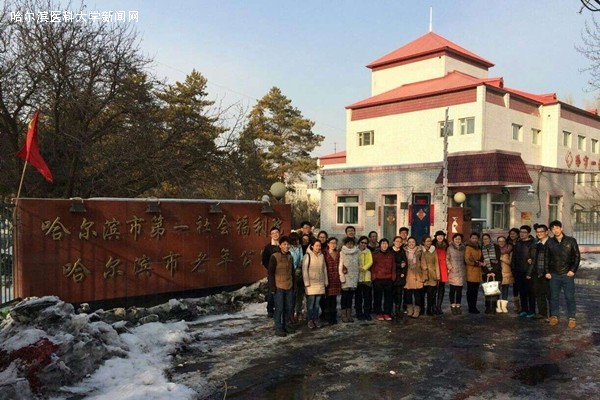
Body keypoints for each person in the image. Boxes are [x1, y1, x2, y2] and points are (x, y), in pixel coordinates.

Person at [546, 220, 580, 329]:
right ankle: (554, 316)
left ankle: (572, 318)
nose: (555, 230)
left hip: (567, 274)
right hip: (554, 274)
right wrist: (547, 272)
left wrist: (573, 270)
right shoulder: (549, 242)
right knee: (554, 297)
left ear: (561, 228)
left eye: (557, 228)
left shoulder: (571, 241)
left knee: (569, 297)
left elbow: (577, 256)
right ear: (551, 231)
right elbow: (546, 258)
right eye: (553, 229)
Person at [268, 236, 295, 337]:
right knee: (279, 308)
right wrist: (272, 287)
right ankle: (278, 328)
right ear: (280, 245)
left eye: (288, 244)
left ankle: (286, 325)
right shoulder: (274, 257)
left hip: (289, 285)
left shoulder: (290, 256)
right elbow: (270, 273)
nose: (287, 246)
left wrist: (294, 285)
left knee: (289, 307)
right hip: (278, 286)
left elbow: (292, 272)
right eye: (284, 244)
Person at [302, 239, 328, 329]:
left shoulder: (321, 256)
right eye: (316, 245)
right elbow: (304, 270)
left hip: (320, 283)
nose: (318, 247)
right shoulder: (307, 255)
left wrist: (326, 281)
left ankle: (316, 319)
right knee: (310, 304)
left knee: (317, 304)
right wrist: (306, 283)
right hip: (311, 284)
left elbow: (324, 269)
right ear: (312, 246)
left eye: (319, 246)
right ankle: (310, 319)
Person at [512, 225, 535, 318]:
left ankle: (532, 310)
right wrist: (514, 270)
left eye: (524, 232)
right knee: (522, 292)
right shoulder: (518, 243)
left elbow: (533, 259)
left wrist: (529, 272)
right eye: (521, 232)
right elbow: (514, 258)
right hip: (518, 271)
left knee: (530, 292)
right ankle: (524, 309)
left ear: (528, 233)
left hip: (528, 272)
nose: (522, 234)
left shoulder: (532, 244)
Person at [529, 224, 550, 320]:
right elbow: (533, 257)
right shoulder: (536, 243)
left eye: (541, 232)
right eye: (537, 232)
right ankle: (542, 313)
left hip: (548, 273)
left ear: (546, 232)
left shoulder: (551, 243)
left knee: (549, 294)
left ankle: (552, 315)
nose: (539, 233)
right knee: (539, 293)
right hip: (537, 272)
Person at [372, 238, 396, 321]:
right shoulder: (375, 254)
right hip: (378, 279)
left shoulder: (391, 255)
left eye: (386, 244)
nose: (384, 245)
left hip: (389, 279)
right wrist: (374, 277)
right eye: (383, 244)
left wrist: (393, 277)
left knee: (388, 297)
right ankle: (378, 312)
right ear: (380, 245)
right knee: (378, 297)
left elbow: (393, 266)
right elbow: (373, 266)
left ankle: (387, 312)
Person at [339, 237, 361, 322]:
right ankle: (343, 315)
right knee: (344, 296)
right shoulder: (342, 252)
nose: (350, 245)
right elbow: (340, 266)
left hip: (354, 277)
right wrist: (341, 276)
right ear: (345, 244)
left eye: (351, 243)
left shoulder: (357, 252)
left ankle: (349, 314)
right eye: (348, 243)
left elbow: (359, 264)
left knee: (350, 297)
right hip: (345, 276)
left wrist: (357, 277)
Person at [404, 236, 425, 318]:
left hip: (417, 274)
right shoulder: (404, 251)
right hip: (408, 274)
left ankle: (417, 310)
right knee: (408, 294)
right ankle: (409, 309)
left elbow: (423, 263)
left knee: (417, 294)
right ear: (407, 243)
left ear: (416, 243)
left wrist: (424, 274)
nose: (411, 243)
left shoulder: (420, 251)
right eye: (409, 242)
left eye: (413, 242)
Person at [262, 227, 280, 318]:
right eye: (273, 233)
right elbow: (264, 260)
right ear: (270, 235)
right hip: (272, 273)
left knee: (280, 291)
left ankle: (279, 308)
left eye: (277, 232)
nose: (275, 234)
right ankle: (270, 310)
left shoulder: (282, 245)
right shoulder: (268, 247)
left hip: (282, 273)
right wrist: (270, 269)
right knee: (271, 291)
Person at [481, 233, 501, 315]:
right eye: (484, 239)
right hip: (486, 273)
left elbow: (498, 260)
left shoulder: (496, 247)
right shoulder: (481, 248)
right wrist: (487, 272)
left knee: (495, 291)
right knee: (487, 291)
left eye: (487, 238)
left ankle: (494, 307)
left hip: (496, 273)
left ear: (490, 239)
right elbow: (482, 261)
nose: (485, 240)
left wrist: (493, 271)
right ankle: (488, 307)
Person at [323, 237, 341, 324]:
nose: (333, 245)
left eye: (335, 243)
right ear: (328, 244)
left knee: (334, 299)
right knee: (327, 299)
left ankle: (333, 316)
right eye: (331, 243)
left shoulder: (338, 253)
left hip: (336, 278)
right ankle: (327, 316)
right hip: (327, 278)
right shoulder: (324, 253)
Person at [447, 233, 466, 315]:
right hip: (453, 271)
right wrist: (450, 267)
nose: (458, 240)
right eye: (456, 239)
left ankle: (458, 305)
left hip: (461, 271)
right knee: (452, 290)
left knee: (459, 291)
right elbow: (447, 258)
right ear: (453, 239)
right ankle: (452, 305)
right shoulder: (450, 248)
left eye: (459, 239)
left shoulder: (464, 248)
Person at [421, 235, 440, 316]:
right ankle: (421, 309)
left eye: (430, 241)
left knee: (431, 295)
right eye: (427, 241)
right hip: (423, 274)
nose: (429, 242)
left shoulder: (433, 250)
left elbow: (436, 263)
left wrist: (438, 275)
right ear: (423, 242)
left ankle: (429, 309)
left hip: (432, 274)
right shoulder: (420, 250)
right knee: (421, 294)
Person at [355, 236, 373, 320]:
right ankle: (359, 313)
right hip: (357, 277)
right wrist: (358, 267)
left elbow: (370, 261)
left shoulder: (368, 251)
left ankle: (367, 313)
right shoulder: (355, 250)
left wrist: (364, 268)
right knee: (358, 297)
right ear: (359, 242)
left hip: (366, 277)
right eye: (362, 242)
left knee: (367, 297)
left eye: (365, 243)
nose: (363, 244)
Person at [465, 232, 483, 314]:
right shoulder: (468, 247)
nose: (474, 239)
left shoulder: (478, 247)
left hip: (478, 272)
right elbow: (467, 260)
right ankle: (471, 307)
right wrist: (478, 263)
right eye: (473, 238)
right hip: (471, 271)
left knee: (475, 291)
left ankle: (474, 306)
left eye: (476, 238)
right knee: (471, 291)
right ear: (470, 238)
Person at [288, 232, 304, 322]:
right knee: (291, 295)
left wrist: (299, 267)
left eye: (298, 240)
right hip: (290, 273)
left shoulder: (299, 247)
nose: (297, 241)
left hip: (298, 273)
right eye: (295, 240)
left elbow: (301, 259)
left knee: (299, 294)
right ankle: (290, 313)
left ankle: (298, 312)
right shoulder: (288, 248)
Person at [391, 236, 407, 319]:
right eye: (397, 241)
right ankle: (391, 310)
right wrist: (399, 265)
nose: (398, 243)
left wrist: (403, 272)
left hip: (400, 276)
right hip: (391, 275)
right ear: (393, 242)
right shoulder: (390, 251)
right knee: (391, 294)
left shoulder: (402, 251)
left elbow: (405, 263)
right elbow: (390, 263)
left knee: (399, 294)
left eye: (400, 242)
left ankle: (398, 310)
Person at [496, 235, 513, 313]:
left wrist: (501, 258)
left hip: (506, 272)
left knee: (505, 290)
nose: (501, 242)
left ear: (505, 242)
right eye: (499, 241)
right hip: (497, 272)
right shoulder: (495, 249)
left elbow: (510, 262)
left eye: (503, 241)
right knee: (496, 291)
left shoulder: (509, 250)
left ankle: (504, 306)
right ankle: (498, 306)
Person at [433, 231, 449, 315]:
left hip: (443, 267)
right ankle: (433, 306)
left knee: (441, 288)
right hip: (435, 267)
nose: (440, 237)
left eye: (442, 236)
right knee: (433, 287)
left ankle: (439, 306)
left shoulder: (446, 245)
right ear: (436, 237)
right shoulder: (432, 245)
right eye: (438, 236)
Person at [507, 227, 521, 313]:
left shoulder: (520, 243)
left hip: (520, 267)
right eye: (511, 234)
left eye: (514, 234)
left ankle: (521, 305)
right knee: (515, 286)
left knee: (520, 286)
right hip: (512, 267)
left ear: (517, 234)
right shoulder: (508, 243)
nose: (512, 235)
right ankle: (516, 305)